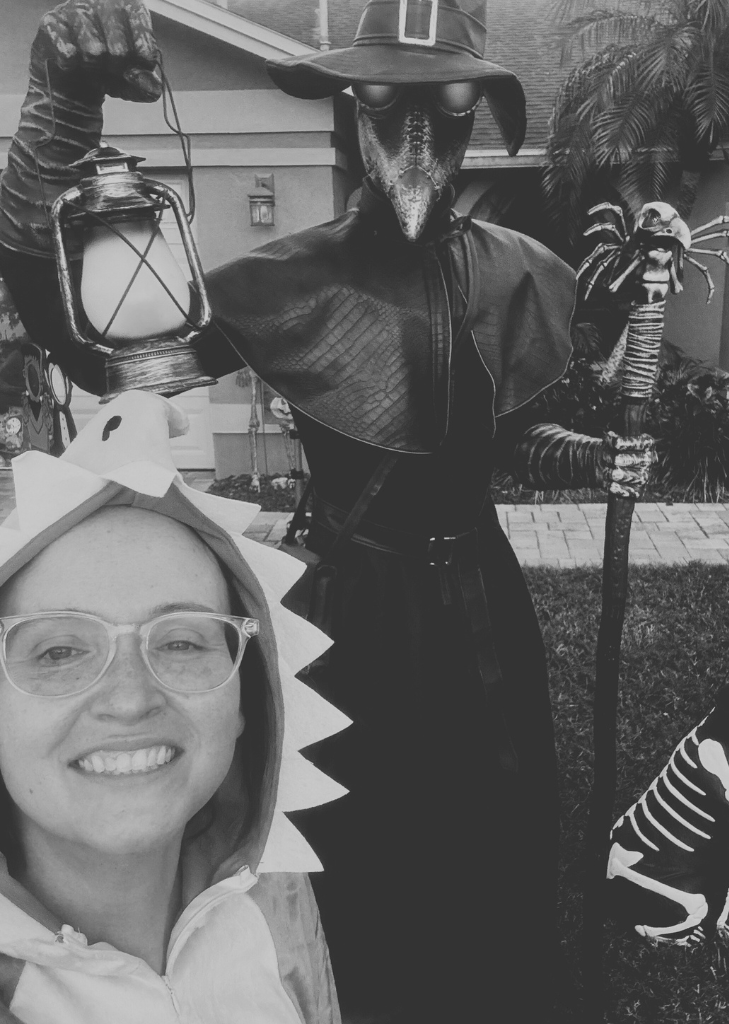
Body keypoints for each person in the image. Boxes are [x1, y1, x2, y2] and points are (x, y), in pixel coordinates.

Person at [0, 2, 655, 1018]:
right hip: (355, 605)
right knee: (364, 841)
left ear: (483, 110)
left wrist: (595, 456)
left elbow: (488, 439)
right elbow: (97, 347)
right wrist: (56, 115)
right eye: (386, 107)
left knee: (501, 827)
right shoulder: (286, 283)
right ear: (351, 115)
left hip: (485, 599)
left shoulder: (521, 270)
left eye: (446, 108)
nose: (416, 141)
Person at [0, 389, 349, 1023]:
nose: (131, 698)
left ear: (251, 699)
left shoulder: (273, 893)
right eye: (59, 653)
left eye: (183, 641)